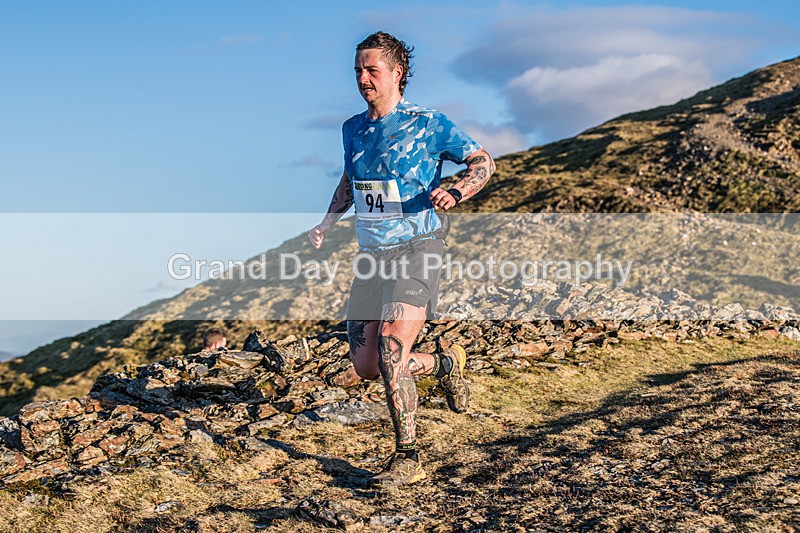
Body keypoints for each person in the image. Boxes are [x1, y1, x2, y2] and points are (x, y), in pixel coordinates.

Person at [308, 32, 495, 487]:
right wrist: (328, 222)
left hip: (418, 247)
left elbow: (483, 162)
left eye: (372, 70)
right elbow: (351, 181)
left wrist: (456, 189)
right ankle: (445, 364)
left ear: (398, 73)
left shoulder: (429, 124)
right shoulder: (352, 128)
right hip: (372, 255)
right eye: (357, 70)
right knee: (368, 366)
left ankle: (407, 457)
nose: (363, 78)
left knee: (392, 348)